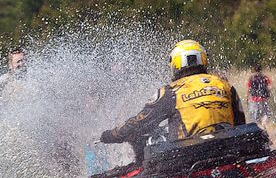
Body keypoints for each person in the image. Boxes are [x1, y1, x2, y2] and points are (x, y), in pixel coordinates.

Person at [99, 40, 246, 161]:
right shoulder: (224, 85)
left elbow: (140, 123)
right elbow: (240, 123)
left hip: (188, 158)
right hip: (228, 152)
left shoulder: (171, 91)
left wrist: (112, 135)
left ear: (175, 64)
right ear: (203, 59)